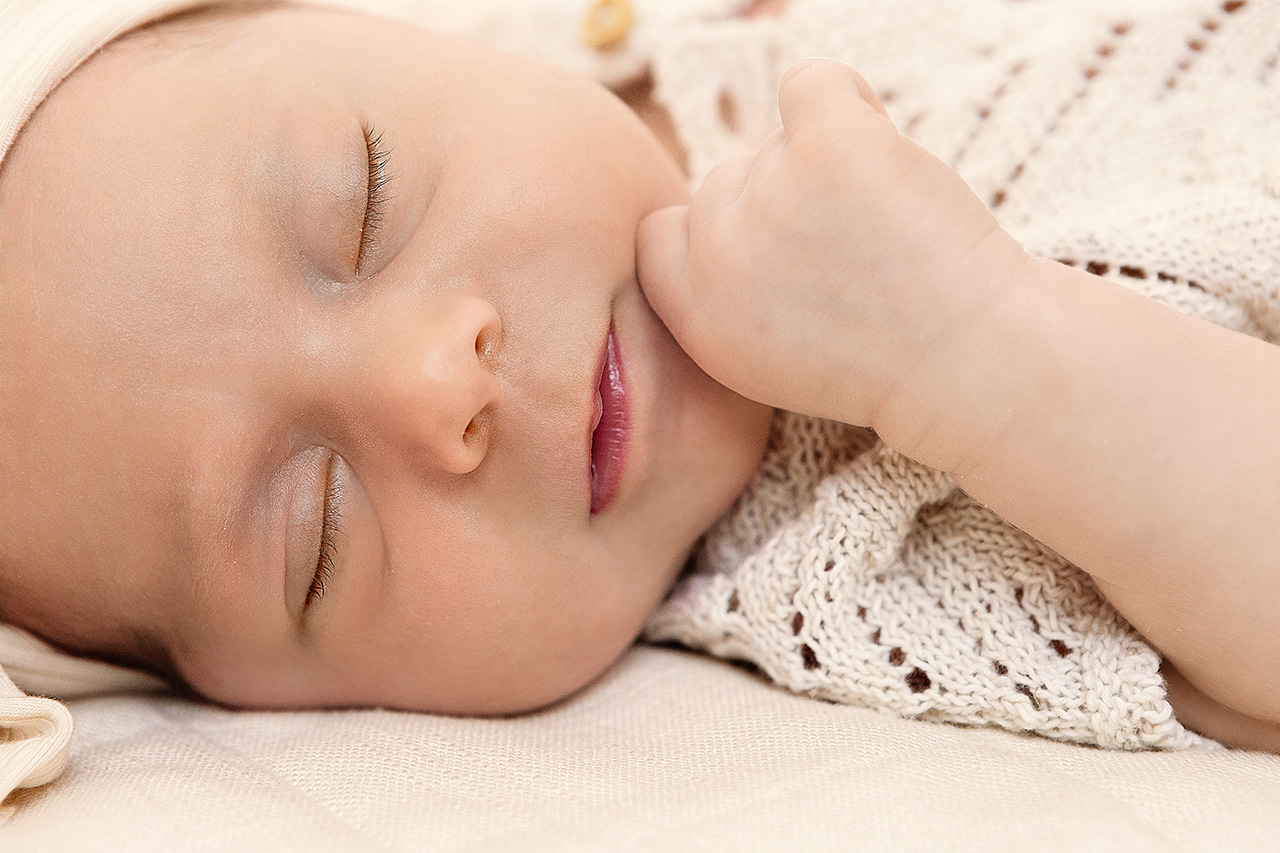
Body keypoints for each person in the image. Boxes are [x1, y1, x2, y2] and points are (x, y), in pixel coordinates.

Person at [0, 0, 1277, 801]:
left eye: (368, 194)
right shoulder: (863, 561)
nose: (435, 384)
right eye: (316, 527)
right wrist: (968, 339)